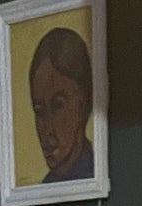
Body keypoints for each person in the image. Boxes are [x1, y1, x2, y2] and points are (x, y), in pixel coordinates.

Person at [28, 26, 94, 183]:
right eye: (40, 112)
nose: (48, 129)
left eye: (58, 106)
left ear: (82, 104)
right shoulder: (45, 187)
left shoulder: (94, 173)